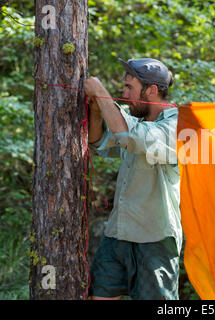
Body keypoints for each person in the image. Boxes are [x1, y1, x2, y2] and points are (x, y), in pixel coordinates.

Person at [84, 58, 182, 300]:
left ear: (151, 91)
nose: (123, 92)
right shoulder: (134, 118)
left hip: (156, 238)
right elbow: (99, 141)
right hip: (118, 232)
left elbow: (129, 136)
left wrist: (100, 92)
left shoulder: (177, 126)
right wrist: (97, 110)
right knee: (100, 296)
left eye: (129, 87)